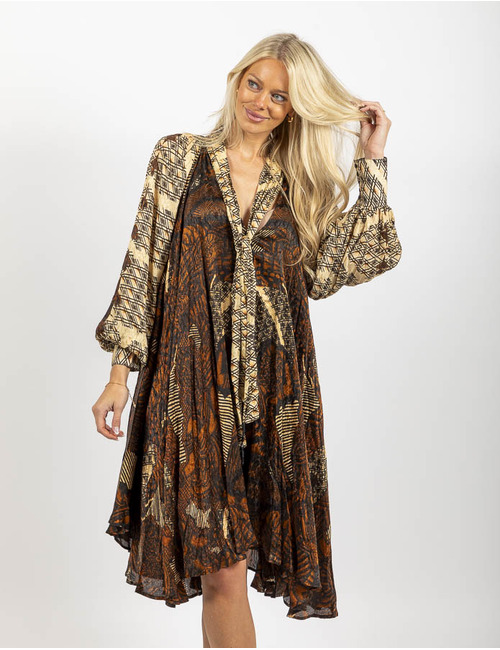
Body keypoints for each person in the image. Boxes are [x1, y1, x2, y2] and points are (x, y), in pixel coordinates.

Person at [91, 32, 402, 648]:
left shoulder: (299, 185)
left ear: (295, 108)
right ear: (236, 80)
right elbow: (142, 267)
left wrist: (372, 160)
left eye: (279, 96)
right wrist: (118, 376)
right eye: (253, 84)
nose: (260, 101)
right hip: (192, 390)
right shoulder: (179, 158)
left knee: (223, 576)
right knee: (222, 572)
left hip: (274, 397)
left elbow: (353, 261)